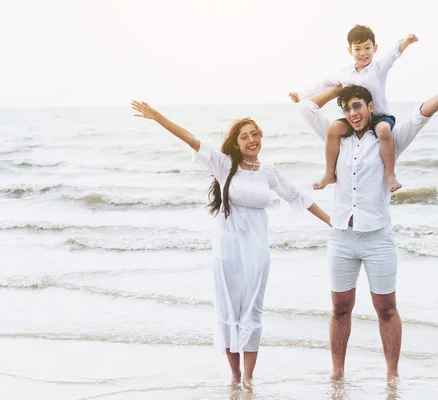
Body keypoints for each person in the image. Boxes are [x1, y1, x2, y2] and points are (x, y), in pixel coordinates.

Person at [298, 61, 438, 384]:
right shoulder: (337, 138)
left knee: (386, 308)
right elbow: (307, 108)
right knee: (340, 307)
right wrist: (339, 89)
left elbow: (421, 115)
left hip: (378, 237)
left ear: (370, 107)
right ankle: (337, 372)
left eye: (357, 106)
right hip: (341, 236)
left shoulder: (389, 137)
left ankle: (392, 374)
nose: (353, 113)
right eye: (347, 108)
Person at [130, 100, 331, 389]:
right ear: (236, 143)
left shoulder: (269, 171)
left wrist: (332, 222)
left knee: (253, 308)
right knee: (228, 308)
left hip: (257, 250)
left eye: (255, 134)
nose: (252, 139)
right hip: (227, 249)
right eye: (245, 135)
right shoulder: (225, 166)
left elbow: (298, 197)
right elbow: (190, 139)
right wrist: (156, 116)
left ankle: (248, 376)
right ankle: (235, 374)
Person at [290, 25, 418, 193]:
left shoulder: (378, 68)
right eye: (357, 49)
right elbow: (324, 83)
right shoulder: (345, 73)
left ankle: (390, 174)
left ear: (375, 48)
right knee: (334, 129)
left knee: (384, 131)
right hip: (355, 117)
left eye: (367, 48)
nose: (363, 53)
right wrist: (301, 94)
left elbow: (394, 53)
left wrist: (407, 41)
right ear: (350, 50)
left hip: (378, 116)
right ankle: (329, 173)